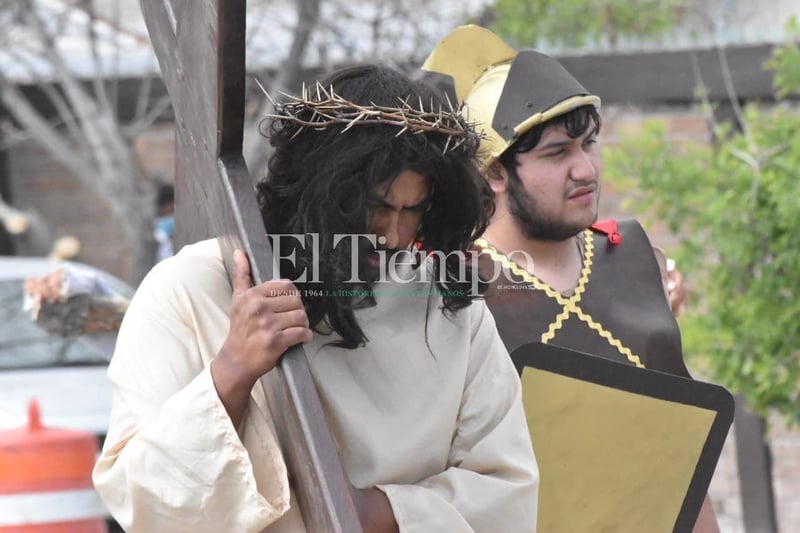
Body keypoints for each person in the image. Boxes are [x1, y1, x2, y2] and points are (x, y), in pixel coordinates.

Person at [92, 64, 539, 532]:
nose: (393, 236)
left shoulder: (453, 311)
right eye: (375, 207)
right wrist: (231, 373)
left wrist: (386, 512)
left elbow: (508, 494)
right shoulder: (190, 289)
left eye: (414, 210)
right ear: (319, 192)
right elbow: (140, 500)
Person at [422, 25, 719, 532]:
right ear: (494, 171)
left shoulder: (632, 254)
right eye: (557, 154)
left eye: (589, 144)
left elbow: (678, 451)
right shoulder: (452, 284)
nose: (586, 169)